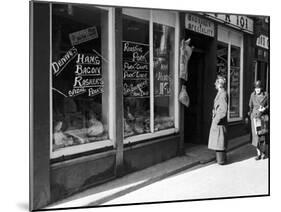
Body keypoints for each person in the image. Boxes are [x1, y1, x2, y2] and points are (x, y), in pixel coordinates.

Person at [208, 76, 228, 165]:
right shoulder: (220, 93)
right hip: (218, 121)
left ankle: (221, 160)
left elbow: (223, 110)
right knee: (218, 141)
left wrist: (217, 119)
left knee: (220, 141)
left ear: (220, 85)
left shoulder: (223, 94)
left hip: (220, 122)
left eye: (216, 83)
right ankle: (220, 159)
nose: (215, 84)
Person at [249, 80, 268, 160]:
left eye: (259, 88)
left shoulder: (266, 95)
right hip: (254, 118)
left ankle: (263, 153)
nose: (257, 90)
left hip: (262, 117)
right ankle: (258, 154)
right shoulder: (252, 95)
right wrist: (251, 115)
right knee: (256, 136)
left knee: (262, 135)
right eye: (256, 88)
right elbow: (250, 105)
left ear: (261, 88)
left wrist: (265, 108)